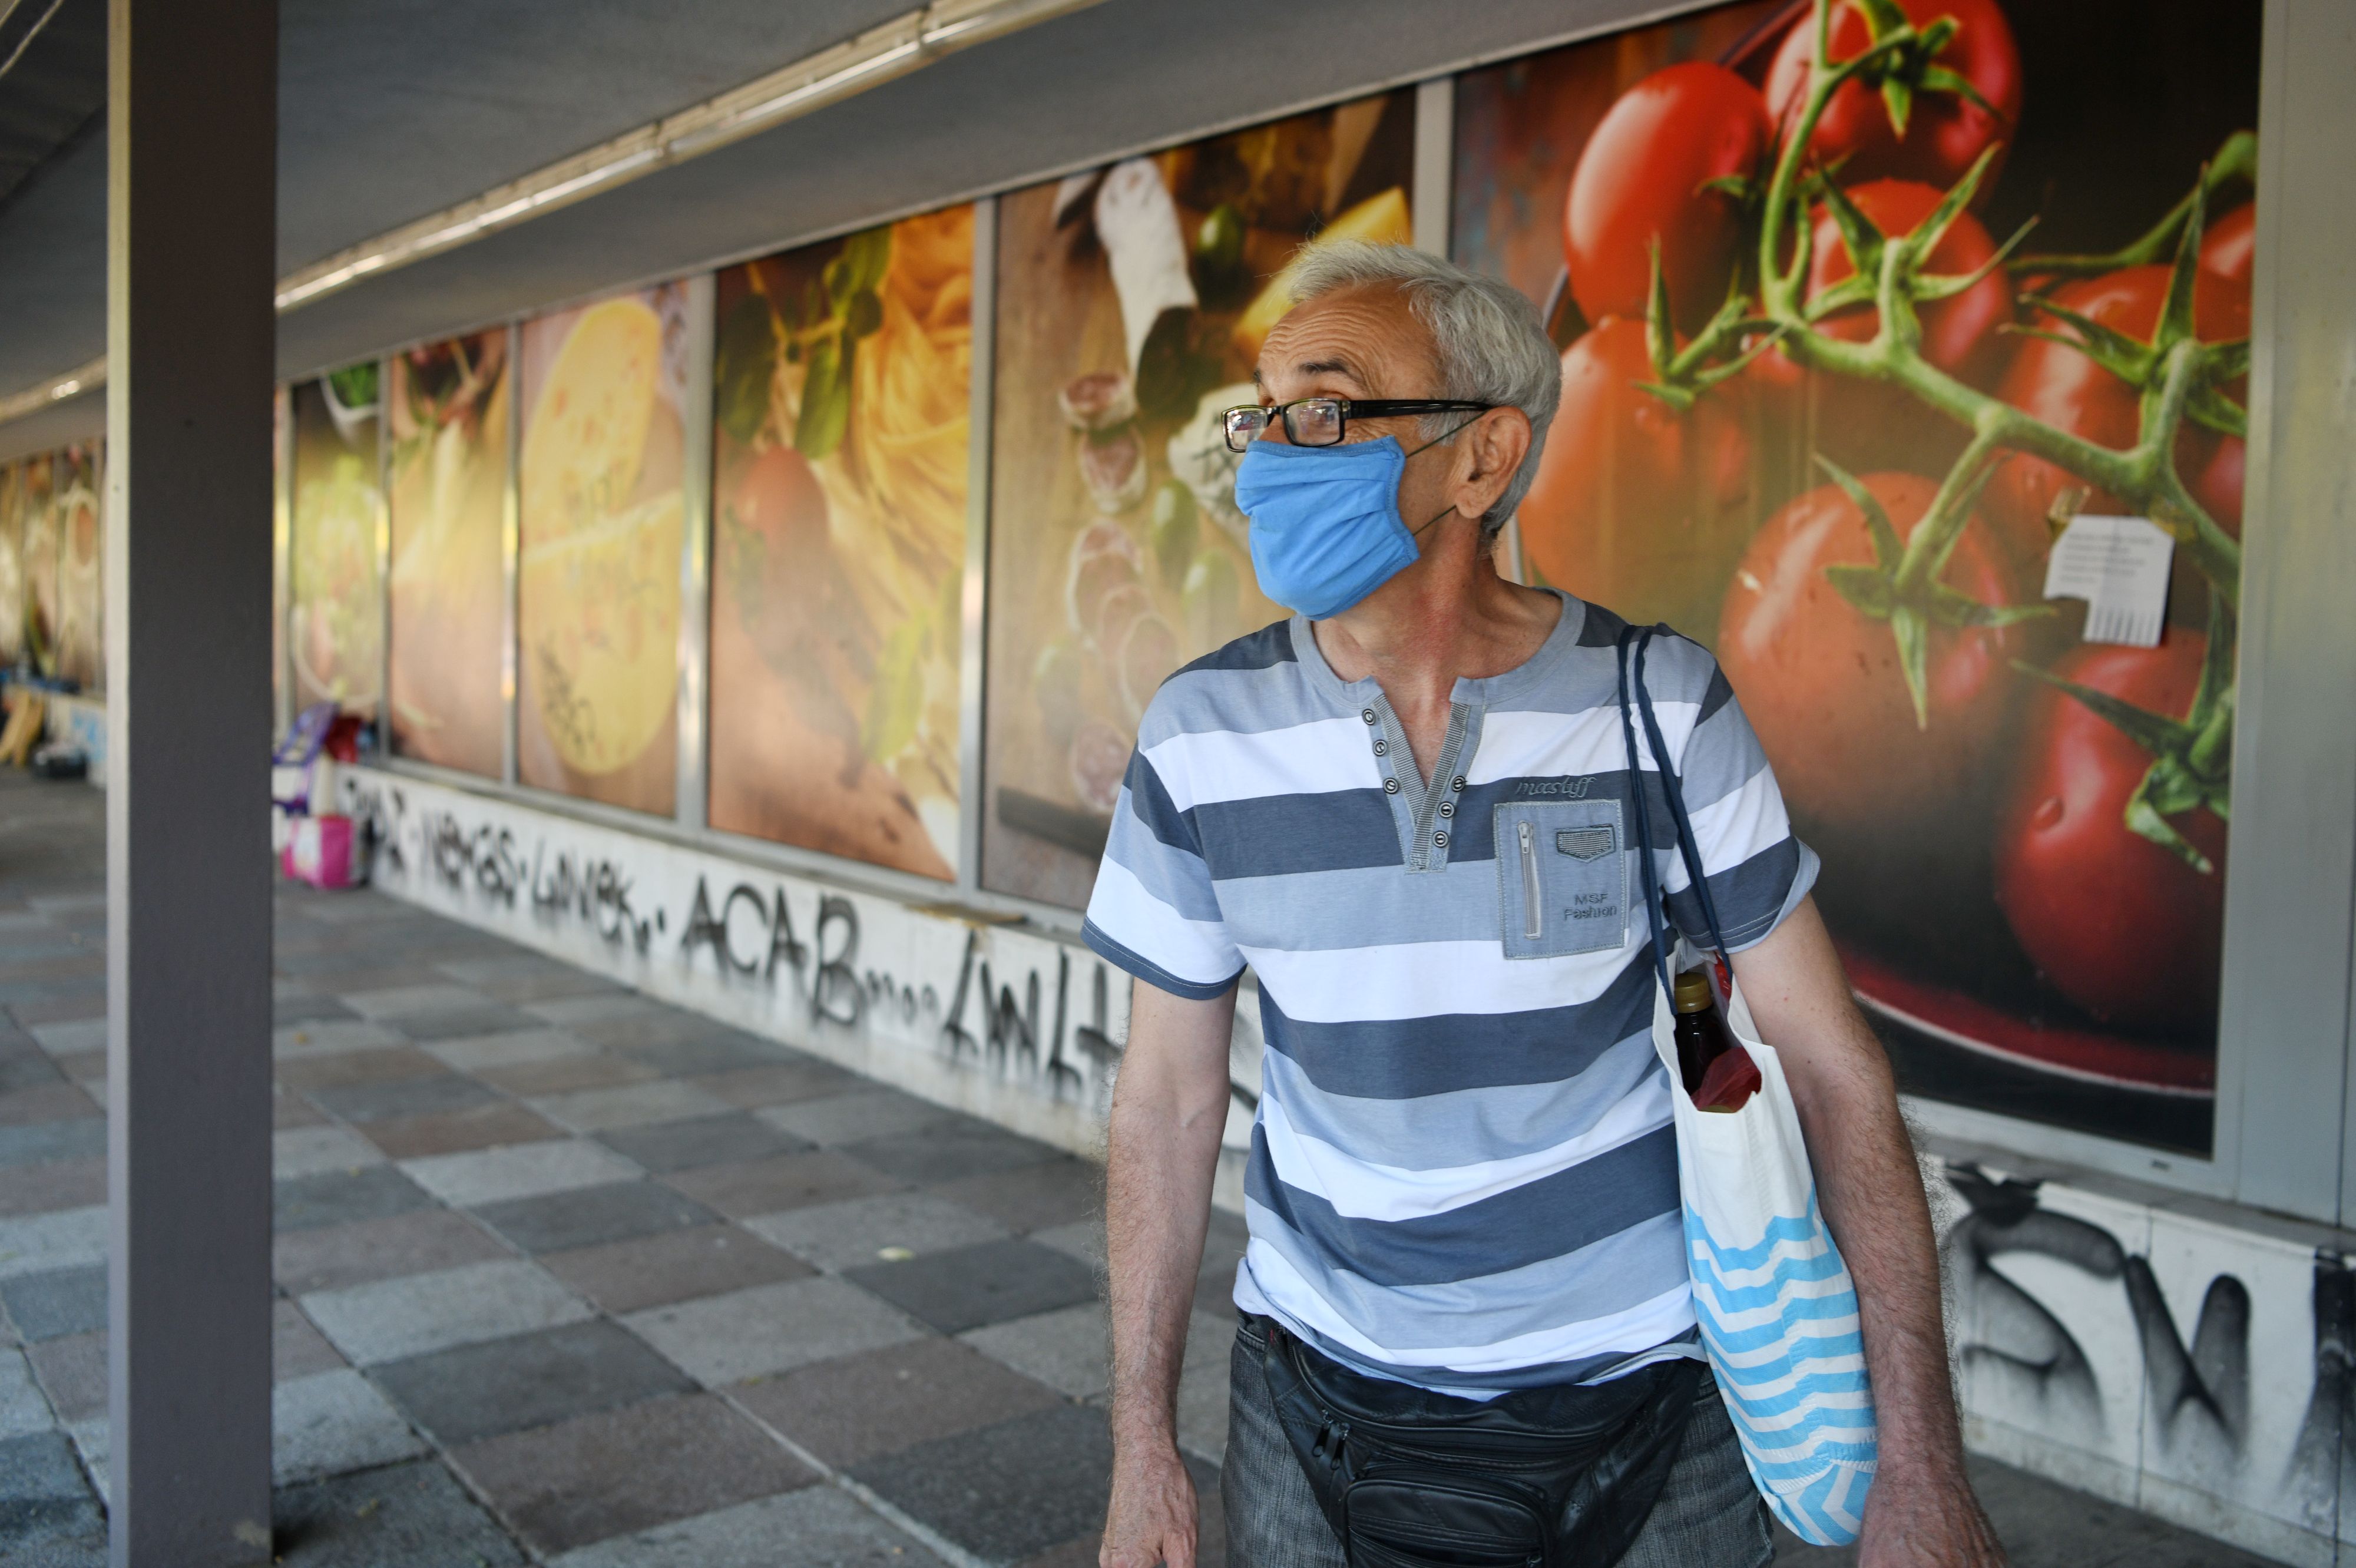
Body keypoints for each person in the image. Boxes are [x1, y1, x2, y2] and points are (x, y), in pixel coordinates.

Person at [1086, 241, 2005, 1568]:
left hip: (1652, 1418)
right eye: (1263, 411)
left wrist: (1920, 1462)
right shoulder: (1197, 733)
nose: (1271, 455)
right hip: (1312, 1410)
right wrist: (1140, 1446)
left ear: (1483, 457)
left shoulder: (1661, 706)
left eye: (1325, 409)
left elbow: (1831, 1067)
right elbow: (1166, 1102)